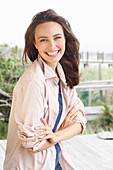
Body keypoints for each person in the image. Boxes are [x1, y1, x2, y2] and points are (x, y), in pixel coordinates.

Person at [4, 9, 87, 170]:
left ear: (65, 39)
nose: (52, 45)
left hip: (55, 158)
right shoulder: (34, 82)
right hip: (29, 165)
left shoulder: (63, 73)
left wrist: (55, 134)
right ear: (35, 44)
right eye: (43, 40)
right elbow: (33, 143)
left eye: (57, 38)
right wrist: (63, 128)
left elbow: (80, 122)